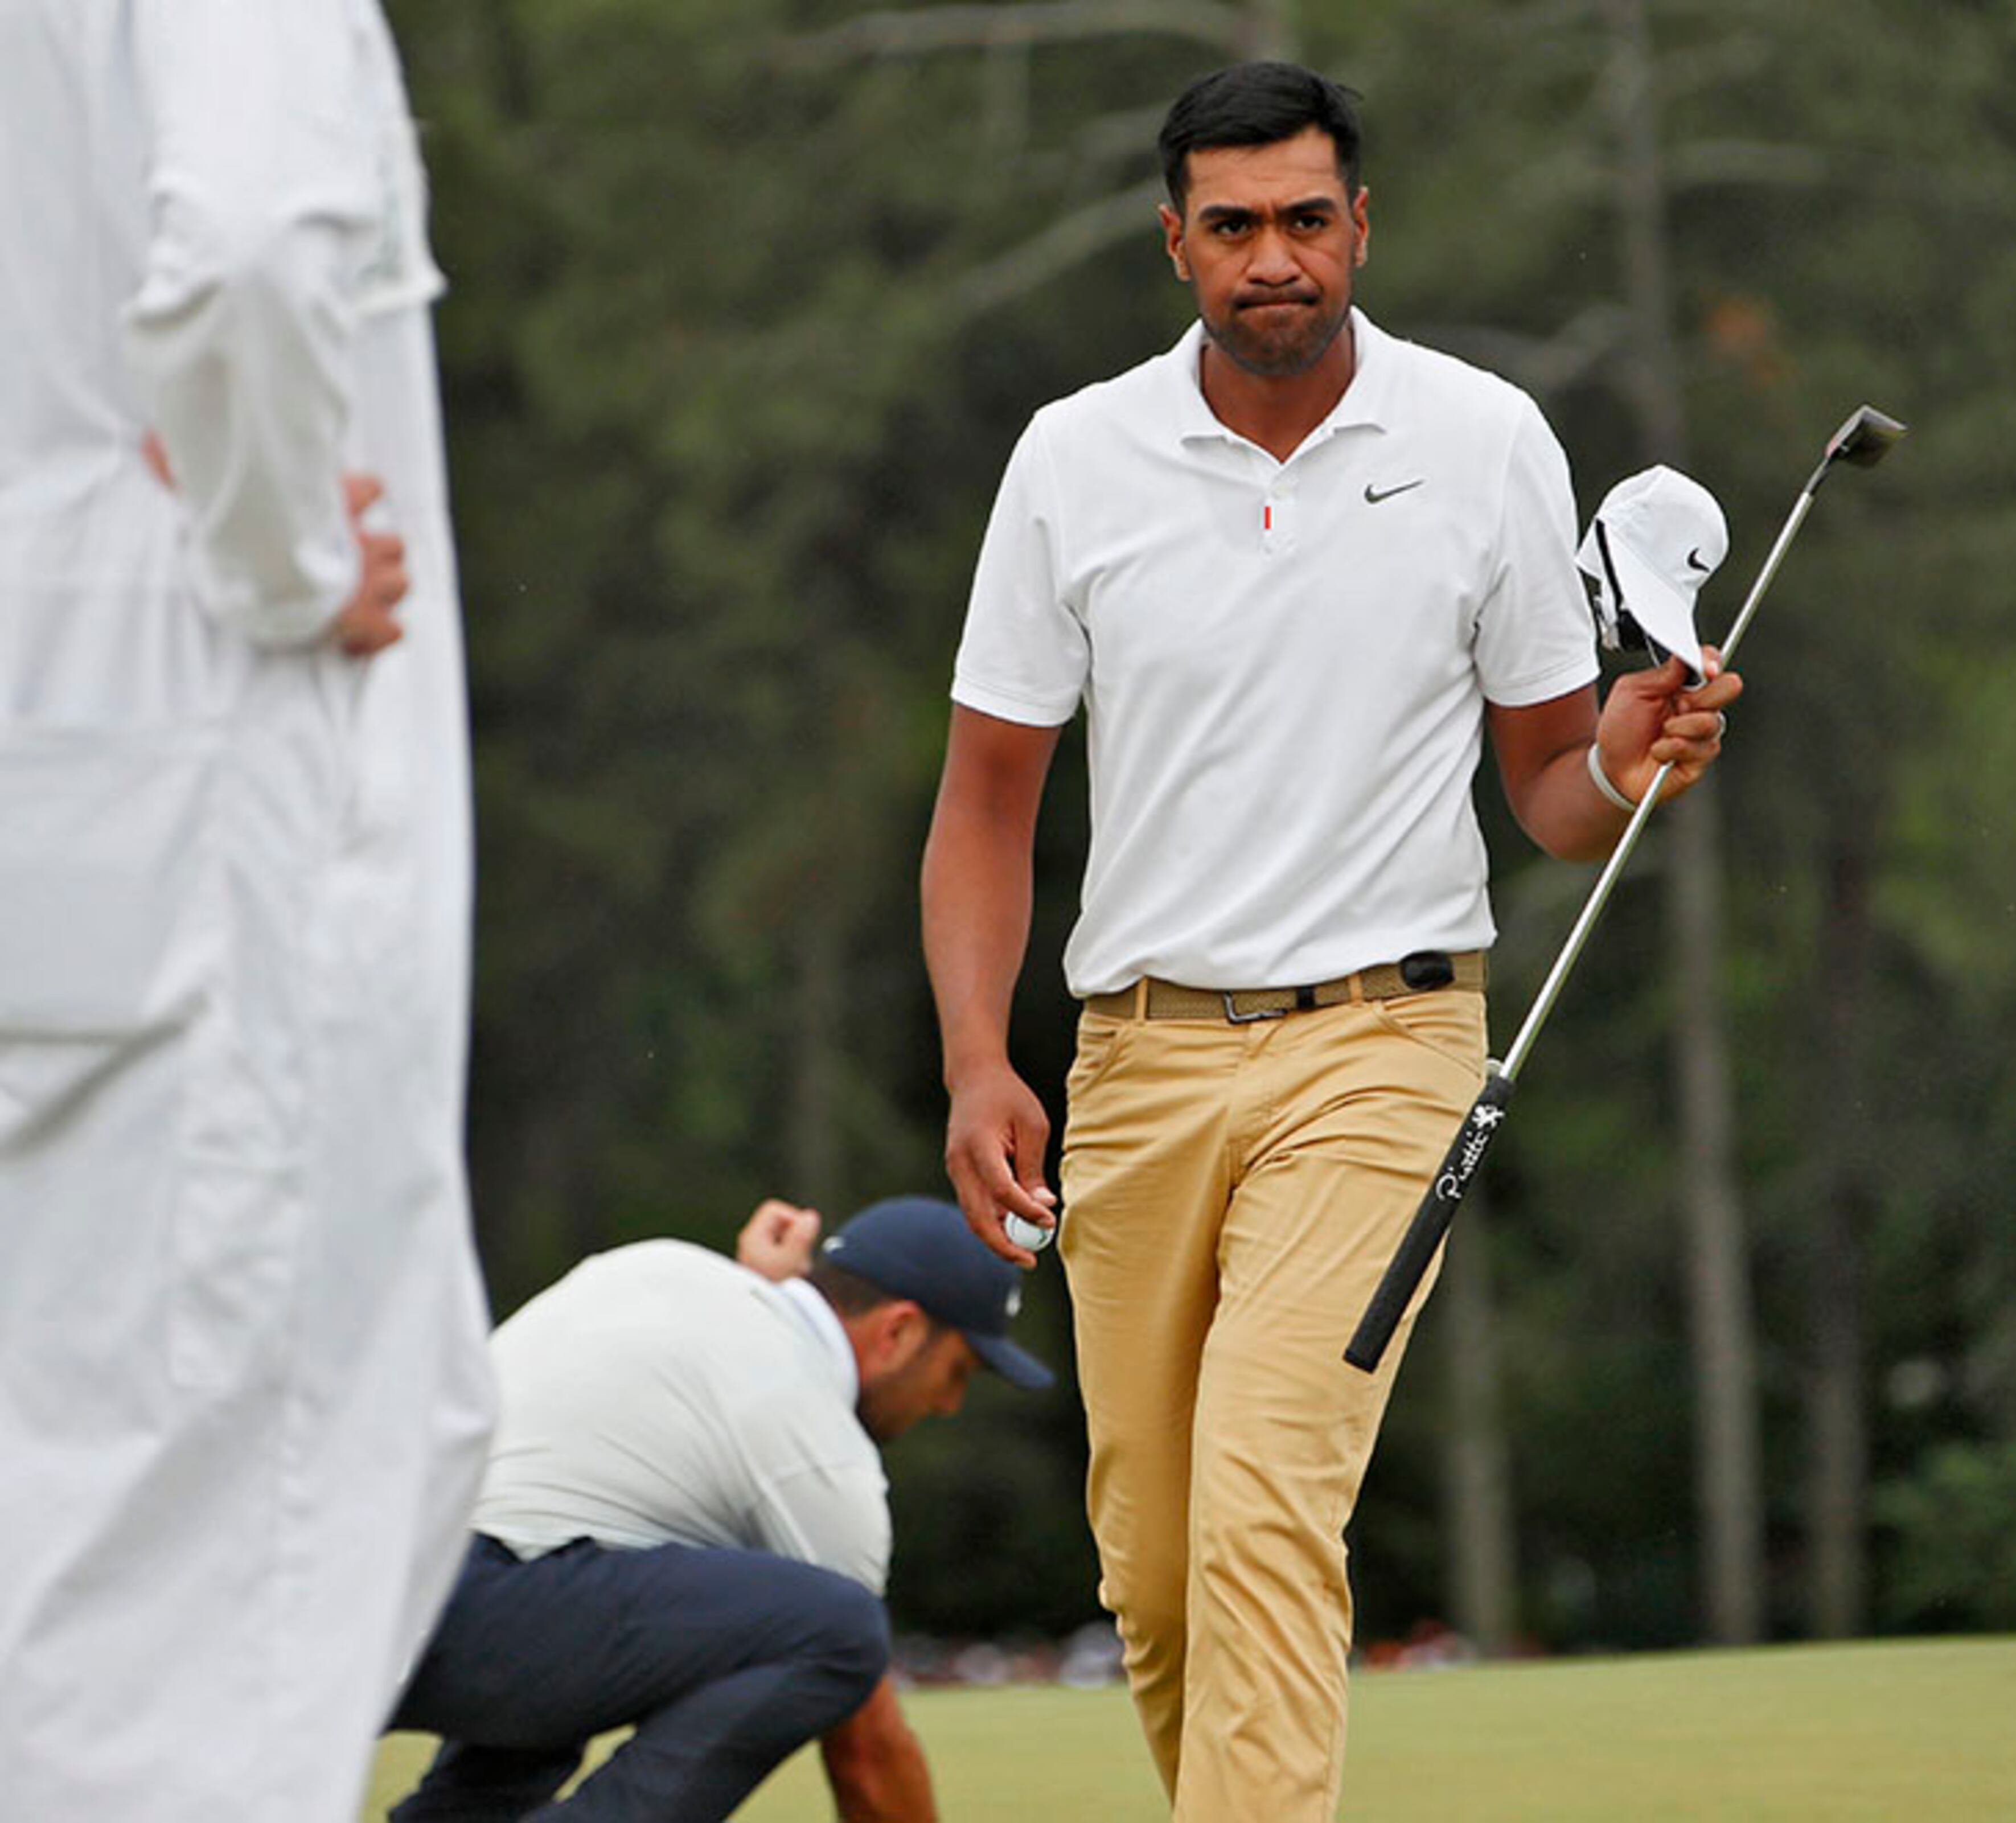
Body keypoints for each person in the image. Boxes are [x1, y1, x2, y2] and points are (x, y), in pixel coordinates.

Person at [920, 60, 1742, 1822]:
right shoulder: (1074, 459)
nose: (1271, 256)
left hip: (1385, 1046)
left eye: (1304, 219)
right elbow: (986, 800)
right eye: (1232, 226)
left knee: (1265, 1494)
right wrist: (979, 1057)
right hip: (1134, 1057)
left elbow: (1546, 783)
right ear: (1172, 244)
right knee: (1150, 1575)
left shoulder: (1485, 439)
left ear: (1360, 225)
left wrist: (1634, 751)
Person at [0, 6, 494, 1819]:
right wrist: (277, 547)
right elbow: (252, 250)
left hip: (79, 760)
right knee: (228, 1522)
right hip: (200, 763)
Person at [385, 1195, 1054, 1821]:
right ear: (900, 1333)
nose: (949, 1403)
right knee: (840, 1630)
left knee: (591, 1649)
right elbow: (867, 1755)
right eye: (957, 1371)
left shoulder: (657, 1266)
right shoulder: (820, 1449)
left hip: (349, 1588)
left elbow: (699, 1378)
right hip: (469, 1609)